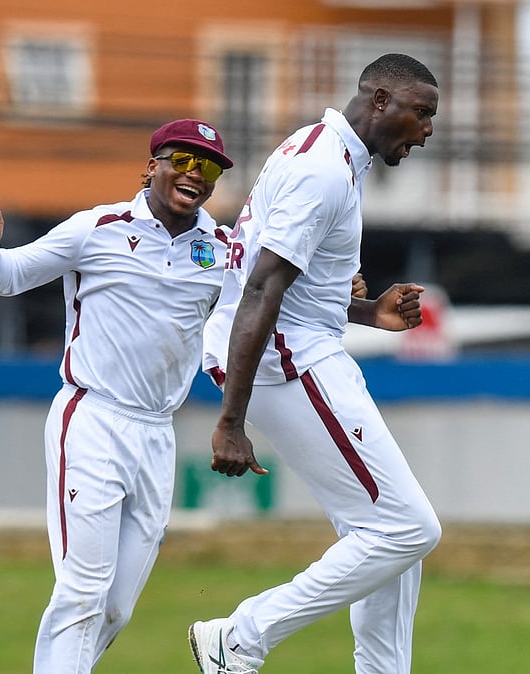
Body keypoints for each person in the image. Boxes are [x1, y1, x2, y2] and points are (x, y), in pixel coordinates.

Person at [188, 53, 441, 674]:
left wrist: (367, 311)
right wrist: (231, 421)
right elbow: (261, 289)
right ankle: (240, 636)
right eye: (422, 113)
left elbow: (296, 285)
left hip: (297, 348)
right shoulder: (323, 170)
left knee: (387, 532)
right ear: (380, 100)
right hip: (286, 360)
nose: (428, 130)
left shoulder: (327, 153)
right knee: (408, 529)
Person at [0, 119, 234, 673]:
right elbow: (8, 276)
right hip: (92, 418)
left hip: (158, 434)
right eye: (180, 160)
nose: (193, 174)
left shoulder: (223, 248)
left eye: (205, 166)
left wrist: (357, 303)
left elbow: (273, 297)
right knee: (82, 592)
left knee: (114, 609)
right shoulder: (99, 227)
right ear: (152, 163)